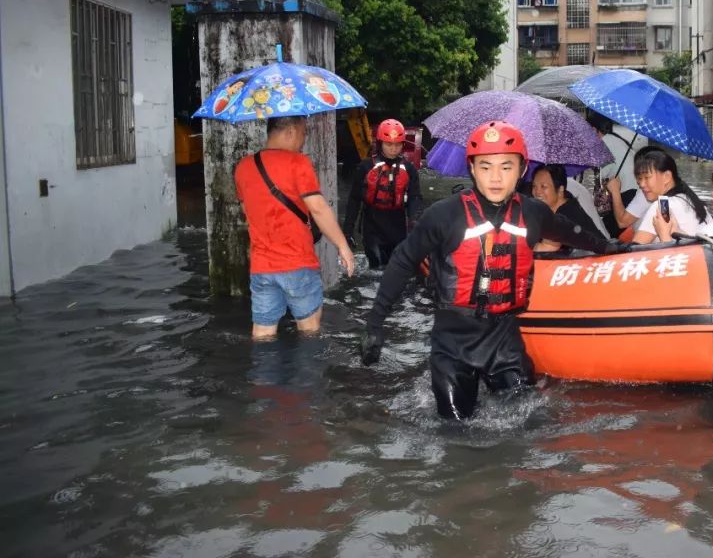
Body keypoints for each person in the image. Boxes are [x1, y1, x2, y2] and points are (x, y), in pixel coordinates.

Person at [358, 121, 628, 421]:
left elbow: (572, 233)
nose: (496, 178)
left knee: (530, 422)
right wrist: (375, 325)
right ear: (472, 169)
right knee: (454, 432)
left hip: (503, 340)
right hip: (452, 342)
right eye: (486, 167)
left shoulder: (532, 212)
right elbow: (402, 260)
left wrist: (608, 248)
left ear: (522, 169)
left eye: (506, 167)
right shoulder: (444, 216)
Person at [234, 116, 356, 339]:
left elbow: (248, 210)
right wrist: (343, 246)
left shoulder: (243, 167)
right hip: (297, 263)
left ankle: (263, 374)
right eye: (303, 133)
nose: (303, 139)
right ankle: (307, 374)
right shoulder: (298, 163)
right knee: (309, 330)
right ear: (290, 131)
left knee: (262, 333)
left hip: (261, 267)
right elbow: (318, 208)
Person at [343, 118, 423, 269]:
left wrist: (415, 224)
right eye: (389, 144)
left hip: (398, 226)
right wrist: (347, 232)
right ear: (380, 143)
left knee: (395, 268)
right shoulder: (365, 167)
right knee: (376, 266)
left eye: (398, 144)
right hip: (372, 225)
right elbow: (354, 201)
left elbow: (415, 199)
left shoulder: (409, 169)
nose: (394, 149)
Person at [629, 149, 712, 244]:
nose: (641, 184)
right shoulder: (691, 199)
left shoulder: (663, 207)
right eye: (639, 179)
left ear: (667, 177)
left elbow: (635, 248)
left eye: (647, 177)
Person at [586, 109, 646, 236]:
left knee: (603, 233)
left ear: (592, 129)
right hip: (634, 191)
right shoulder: (616, 139)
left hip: (629, 194)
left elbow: (601, 183)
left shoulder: (603, 144)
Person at [531, 164, 607, 251]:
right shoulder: (563, 205)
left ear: (560, 189)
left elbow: (545, 248)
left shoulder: (567, 214)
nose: (537, 192)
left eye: (543, 186)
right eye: (534, 186)